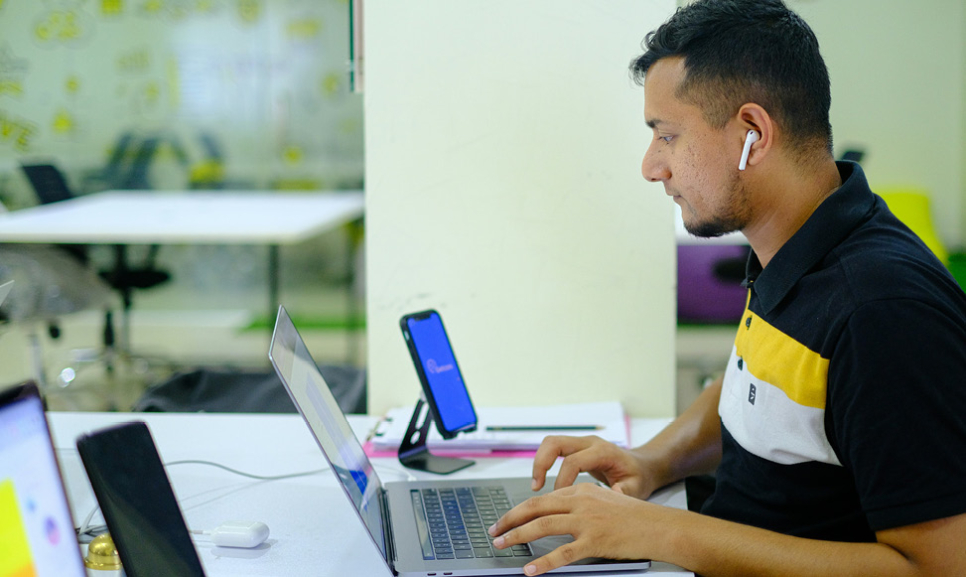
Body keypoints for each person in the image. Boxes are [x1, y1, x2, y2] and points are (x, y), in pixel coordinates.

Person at [486, 1, 966, 575]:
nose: (650, 166)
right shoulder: (795, 242)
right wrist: (650, 462)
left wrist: (660, 531)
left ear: (753, 134)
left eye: (667, 135)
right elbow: (755, 392)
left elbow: (938, 568)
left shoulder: (881, 313)